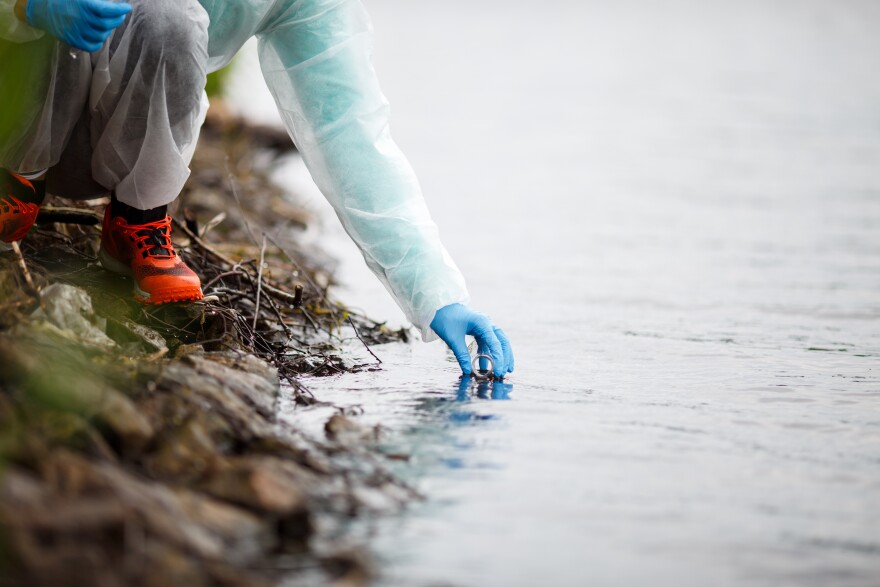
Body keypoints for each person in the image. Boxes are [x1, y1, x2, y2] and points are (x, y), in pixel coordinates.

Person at [0, 0, 514, 377]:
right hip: (16, 90)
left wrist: (437, 296)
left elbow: (351, 134)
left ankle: (137, 221)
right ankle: (14, 183)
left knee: (172, 17)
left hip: (104, 148)